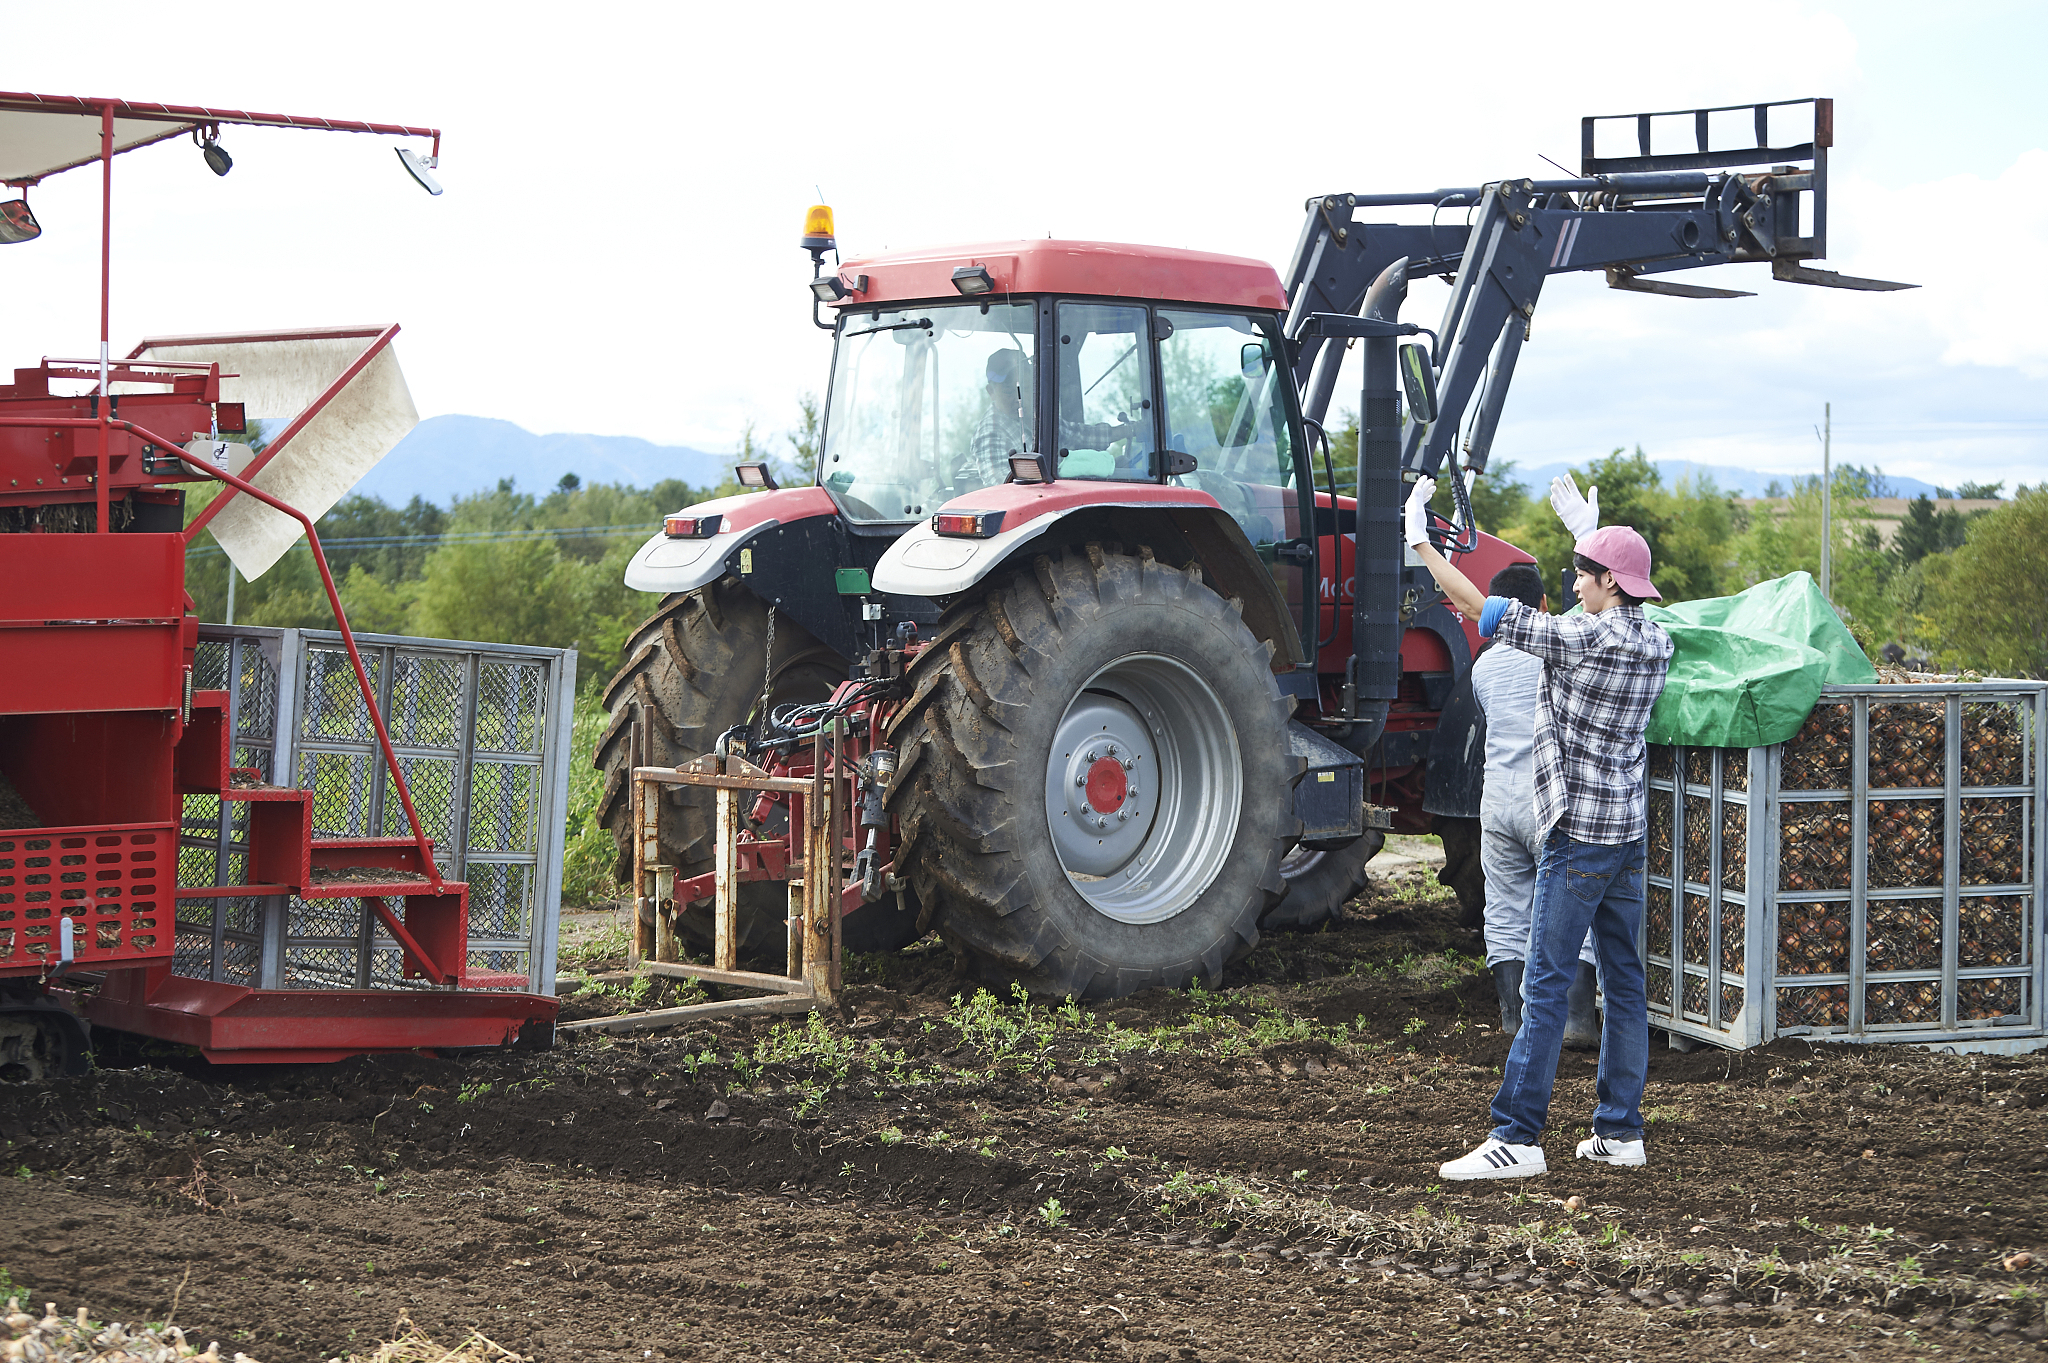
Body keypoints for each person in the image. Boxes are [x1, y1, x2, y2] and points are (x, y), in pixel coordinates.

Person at [1405, 473, 1673, 1179]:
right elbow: (1609, 597)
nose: (1576, 583)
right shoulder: (1655, 641)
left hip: (1577, 834)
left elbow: (1475, 604)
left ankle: (1517, 1135)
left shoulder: (1577, 643)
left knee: (1546, 981)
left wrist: (1421, 544)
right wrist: (1590, 532)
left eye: (1585, 574)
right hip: (1626, 830)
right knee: (1623, 979)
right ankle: (1620, 1129)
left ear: (1609, 583)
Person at [1470, 561, 1600, 1047]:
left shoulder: (1484, 666)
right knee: (1572, 905)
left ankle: (1513, 1019)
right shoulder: (1556, 650)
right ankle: (1578, 1023)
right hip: (1548, 799)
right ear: (1542, 606)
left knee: (1504, 907)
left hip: (1497, 802)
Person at [969, 348, 1137, 488]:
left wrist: (1127, 430)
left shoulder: (1031, 417)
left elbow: (1075, 434)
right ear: (991, 392)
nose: (1018, 398)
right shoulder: (990, 433)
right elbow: (1001, 486)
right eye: (1008, 391)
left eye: (1024, 388)